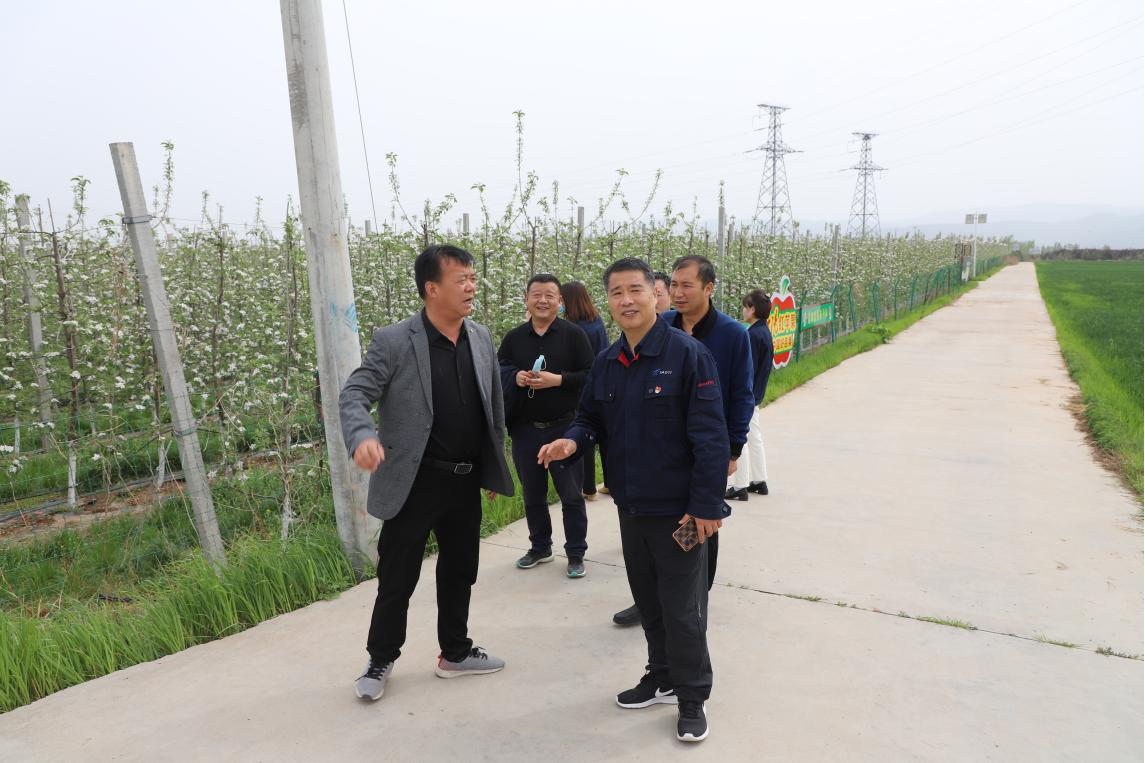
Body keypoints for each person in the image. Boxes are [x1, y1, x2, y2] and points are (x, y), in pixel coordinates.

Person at [538, 257, 728, 743]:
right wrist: (571, 442)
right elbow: (589, 420)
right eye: (617, 292)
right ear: (608, 300)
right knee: (649, 602)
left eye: (636, 290)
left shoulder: (688, 356)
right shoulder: (607, 362)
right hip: (632, 507)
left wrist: (706, 506)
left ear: (654, 294)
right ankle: (661, 676)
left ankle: (692, 697)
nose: (626, 300)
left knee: (683, 609)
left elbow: (711, 438)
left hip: (680, 512)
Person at [339, 244, 515, 702]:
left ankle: (455, 652)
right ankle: (380, 658)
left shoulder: (480, 337)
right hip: (414, 482)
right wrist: (361, 436)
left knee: (461, 570)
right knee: (398, 576)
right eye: (462, 279)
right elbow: (355, 393)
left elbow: (491, 406)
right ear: (431, 288)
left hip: (464, 479)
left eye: (473, 278)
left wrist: (490, 466)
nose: (472, 286)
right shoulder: (395, 340)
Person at [612, 254, 754, 627]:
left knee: (701, 524)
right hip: (663, 449)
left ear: (708, 288)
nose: (677, 292)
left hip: (708, 448)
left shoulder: (732, 334)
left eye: (686, 285)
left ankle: (694, 598)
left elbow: (742, 395)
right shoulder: (661, 326)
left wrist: (732, 449)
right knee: (658, 531)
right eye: (673, 284)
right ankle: (649, 601)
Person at [498, 274, 595, 578]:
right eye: (536, 295)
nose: (542, 300)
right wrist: (515, 377)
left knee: (571, 495)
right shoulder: (514, 338)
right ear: (526, 299)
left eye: (549, 295)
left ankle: (576, 552)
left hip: (564, 427)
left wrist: (558, 380)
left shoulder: (574, 335)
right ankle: (540, 547)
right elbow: (499, 369)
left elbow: (591, 374)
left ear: (560, 301)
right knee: (532, 493)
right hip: (526, 429)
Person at [559, 280, 609, 502]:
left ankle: (588, 487)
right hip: (602, 383)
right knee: (605, 434)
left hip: (582, 387)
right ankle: (610, 482)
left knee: (584, 431)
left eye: (561, 299)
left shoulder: (574, 329)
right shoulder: (596, 321)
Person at [726, 289, 773, 499]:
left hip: (747, 395)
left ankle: (740, 485)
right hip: (757, 393)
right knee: (754, 436)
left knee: (741, 436)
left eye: (745, 307)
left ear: (752, 309)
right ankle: (759, 480)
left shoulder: (751, 335)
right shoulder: (764, 331)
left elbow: (747, 370)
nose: (744, 311)